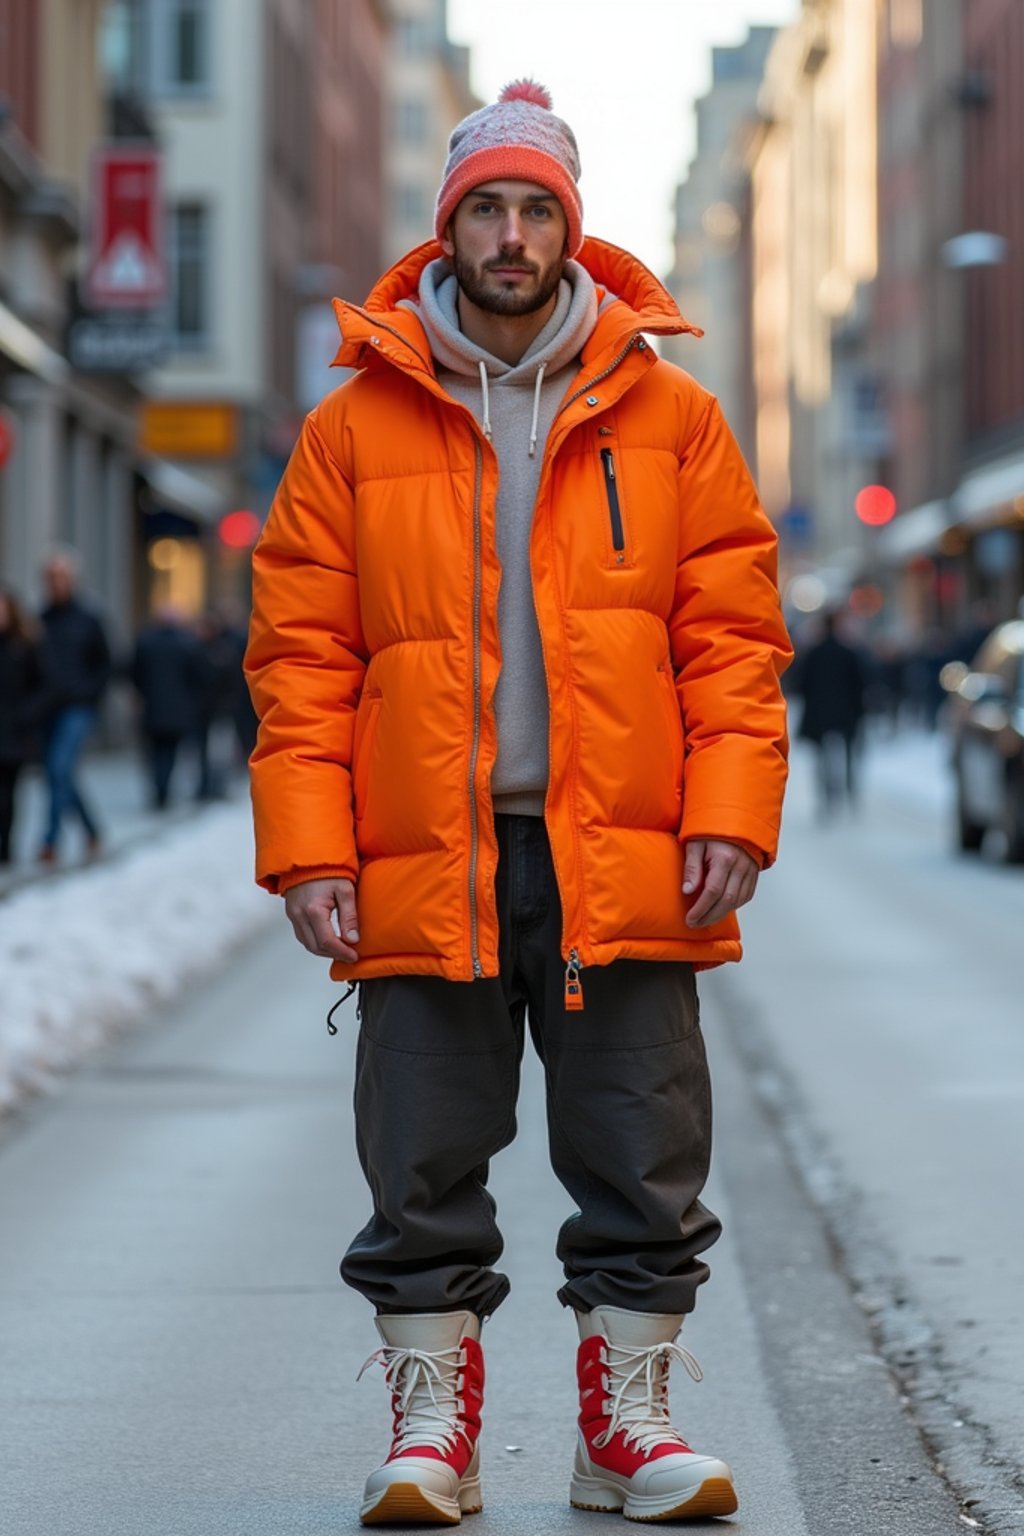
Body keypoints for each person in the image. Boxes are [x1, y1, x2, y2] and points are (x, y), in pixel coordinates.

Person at [245, 80, 791, 1528]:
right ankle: (434, 1434)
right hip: (429, 848)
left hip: (622, 847)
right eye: (483, 207)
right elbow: (303, 660)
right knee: (420, 1153)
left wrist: (729, 810)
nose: (508, 233)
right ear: (448, 229)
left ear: (571, 228)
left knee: (641, 1146)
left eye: (533, 208)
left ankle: (628, 1429)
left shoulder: (669, 417)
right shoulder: (352, 427)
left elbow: (729, 639)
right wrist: (310, 847)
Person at [36, 549, 111, 862]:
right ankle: (92, 830)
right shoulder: (39, 621)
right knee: (59, 774)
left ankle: (50, 841)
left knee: (59, 768)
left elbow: (106, 663)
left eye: (62, 577)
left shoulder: (89, 619)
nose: (57, 583)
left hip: (78, 708)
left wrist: (89, 693)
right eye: (52, 578)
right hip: (46, 709)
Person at [131, 604, 205, 810]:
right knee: (170, 752)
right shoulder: (187, 644)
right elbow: (198, 676)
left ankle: (159, 788)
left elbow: (134, 672)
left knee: (154, 751)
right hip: (178, 709)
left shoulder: (145, 641)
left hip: (152, 706)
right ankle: (163, 789)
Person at [795, 609, 868, 815]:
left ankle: (826, 795)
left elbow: (802, 684)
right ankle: (849, 791)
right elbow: (860, 683)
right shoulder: (849, 652)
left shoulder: (813, 653)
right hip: (845, 712)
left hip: (819, 712)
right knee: (848, 753)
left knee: (821, 757)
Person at [0, 584, 44, 865]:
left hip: (13, 731)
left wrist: (26, 714)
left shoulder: (24, 646)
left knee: (8, 792)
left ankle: (6, 845)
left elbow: (44, 686)